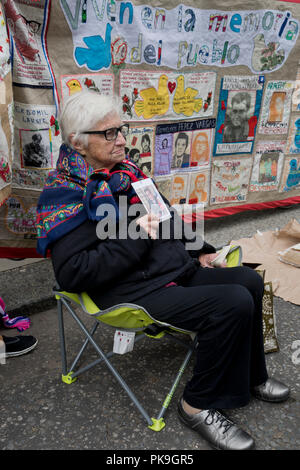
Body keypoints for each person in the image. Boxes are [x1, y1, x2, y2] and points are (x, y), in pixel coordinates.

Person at [36, 90, 290, 451]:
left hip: (168, 269)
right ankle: (196, 405)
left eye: (121, 129)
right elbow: (75, 274)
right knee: (231, 302)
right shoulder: (65, 193)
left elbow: (167, 219)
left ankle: (250, 376)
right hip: (126, 291)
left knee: (247, 280)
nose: (122, 139)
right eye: (109, 133)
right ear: (78, 142)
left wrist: (201, 250)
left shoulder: (127, 174)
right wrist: (136, 237)